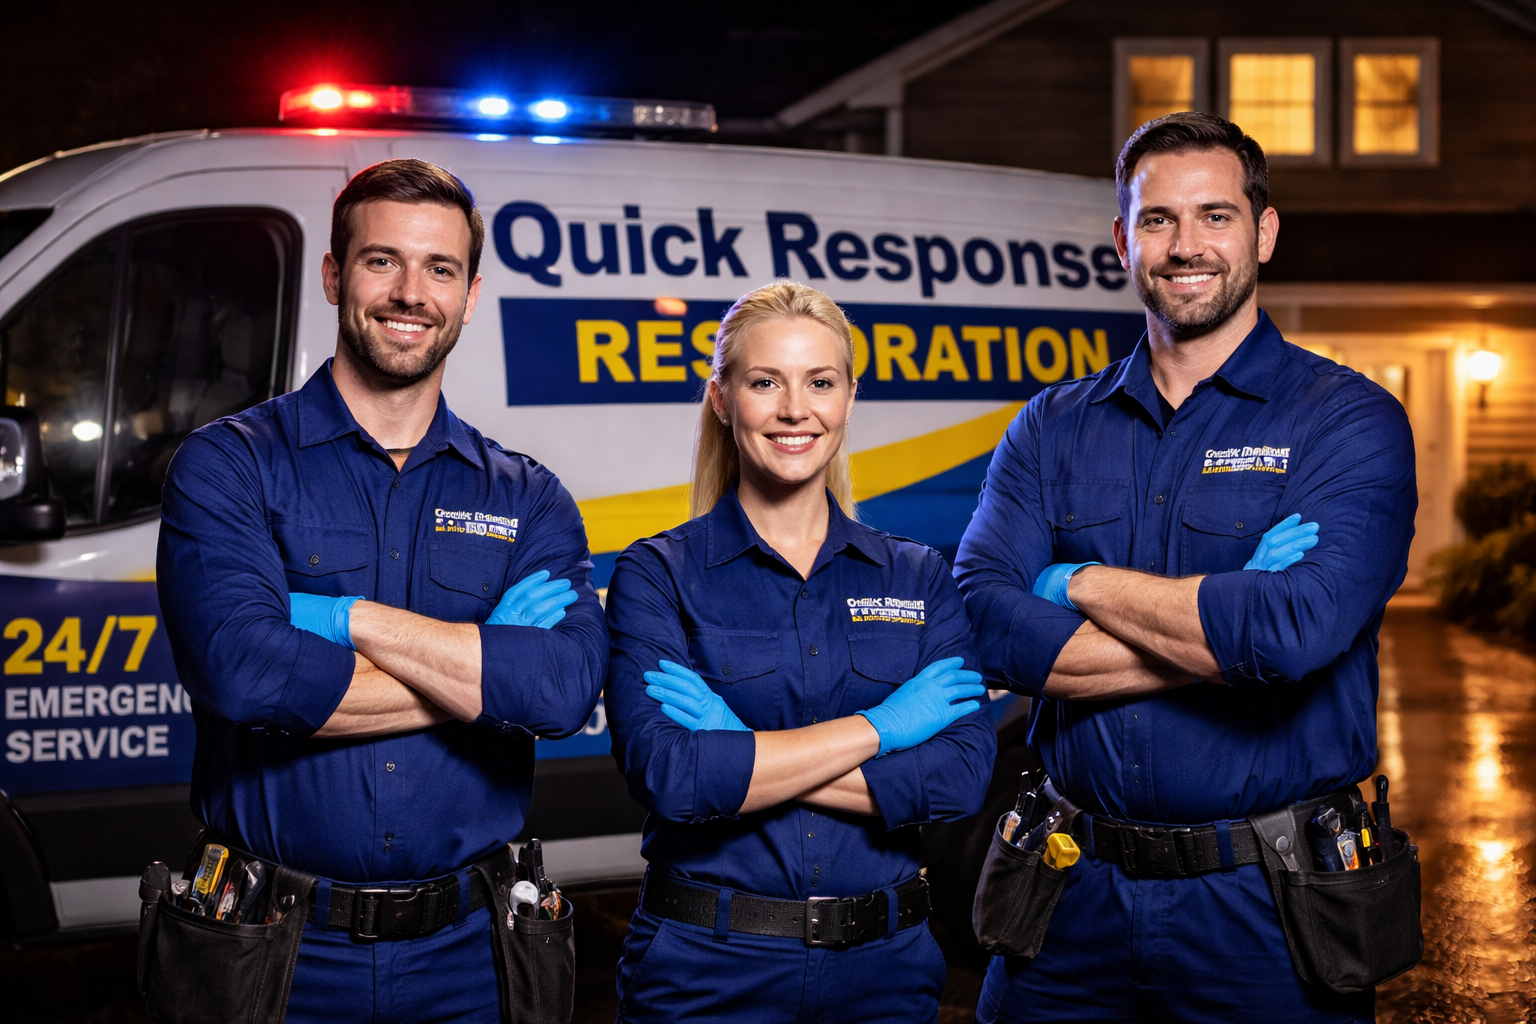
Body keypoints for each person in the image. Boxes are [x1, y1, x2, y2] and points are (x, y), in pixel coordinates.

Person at [956, 111, 1416, 1024]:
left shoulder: (1347, 421)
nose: (1185, 245)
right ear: (1126, 240)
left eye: (1215, 215)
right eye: (1158, 220)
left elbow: (1296, 630)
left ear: (1264, 232)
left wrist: (1072, 582)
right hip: (1069, 895)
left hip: (1266, 910)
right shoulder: (1053, 426)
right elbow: (981, 618)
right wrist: (1225, 616)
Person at [156, 158, 607, 1023]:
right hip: (273, 952)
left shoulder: (527, 495)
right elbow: (247, 674)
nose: (411, 293)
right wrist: (481, 666)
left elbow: (560, 691)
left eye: (440, 269)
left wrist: (345, 618)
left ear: (471, 295)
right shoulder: (230, 464)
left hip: (473, 956)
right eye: (381, 261)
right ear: (334, 275)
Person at [604, 281, 996, 1023]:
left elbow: (961, 776)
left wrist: (741, 746)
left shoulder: (916, 575)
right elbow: (674, 774)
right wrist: (882, 729)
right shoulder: (658, 574)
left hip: (885, 973)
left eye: (820, 382)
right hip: (707, 974)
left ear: (849, 397)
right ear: (723, 399)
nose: (795, 409)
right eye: (764, 382)